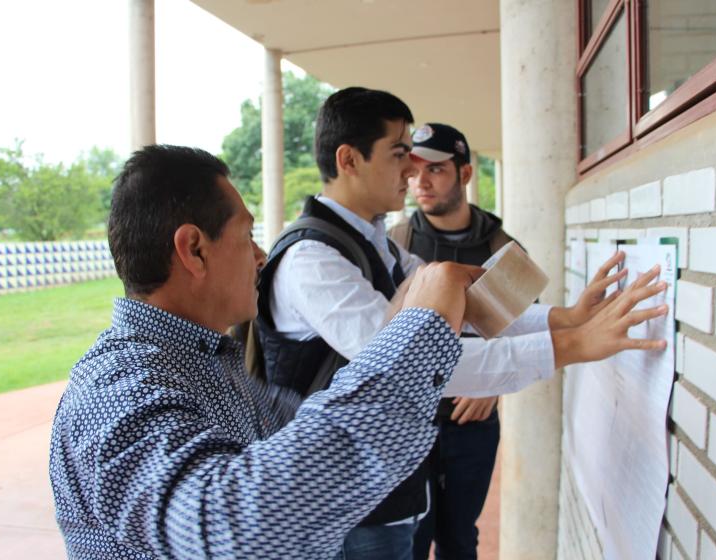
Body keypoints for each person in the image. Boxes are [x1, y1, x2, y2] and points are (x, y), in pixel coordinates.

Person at [256, 87, 669, 560]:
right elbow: (411, 359)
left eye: (427, 162)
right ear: (349, 160)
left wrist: (566, 318)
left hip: (387, 482)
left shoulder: (379, 245)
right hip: (343, 503)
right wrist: (571, 344)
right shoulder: (313, 260)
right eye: (399, 154)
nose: (413, 171)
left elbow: (470, 306)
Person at [48, 144, 489, 558]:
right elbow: (235, 532)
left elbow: (307, 423)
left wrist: (404, 325)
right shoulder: (116, 388)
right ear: (194, 250)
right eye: (247, 236)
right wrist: (423, 329)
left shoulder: (207, 361)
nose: (260, 256)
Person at [390, 122, 515, 559]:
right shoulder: (397, 242)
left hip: (471, 421)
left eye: (436, 170)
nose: (419, 182)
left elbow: (522, 329)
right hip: (411, 421)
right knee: (411, 540)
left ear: (464, 173)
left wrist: (494, 385)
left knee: (460, 539)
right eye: (413, 170)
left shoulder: (504, 248)